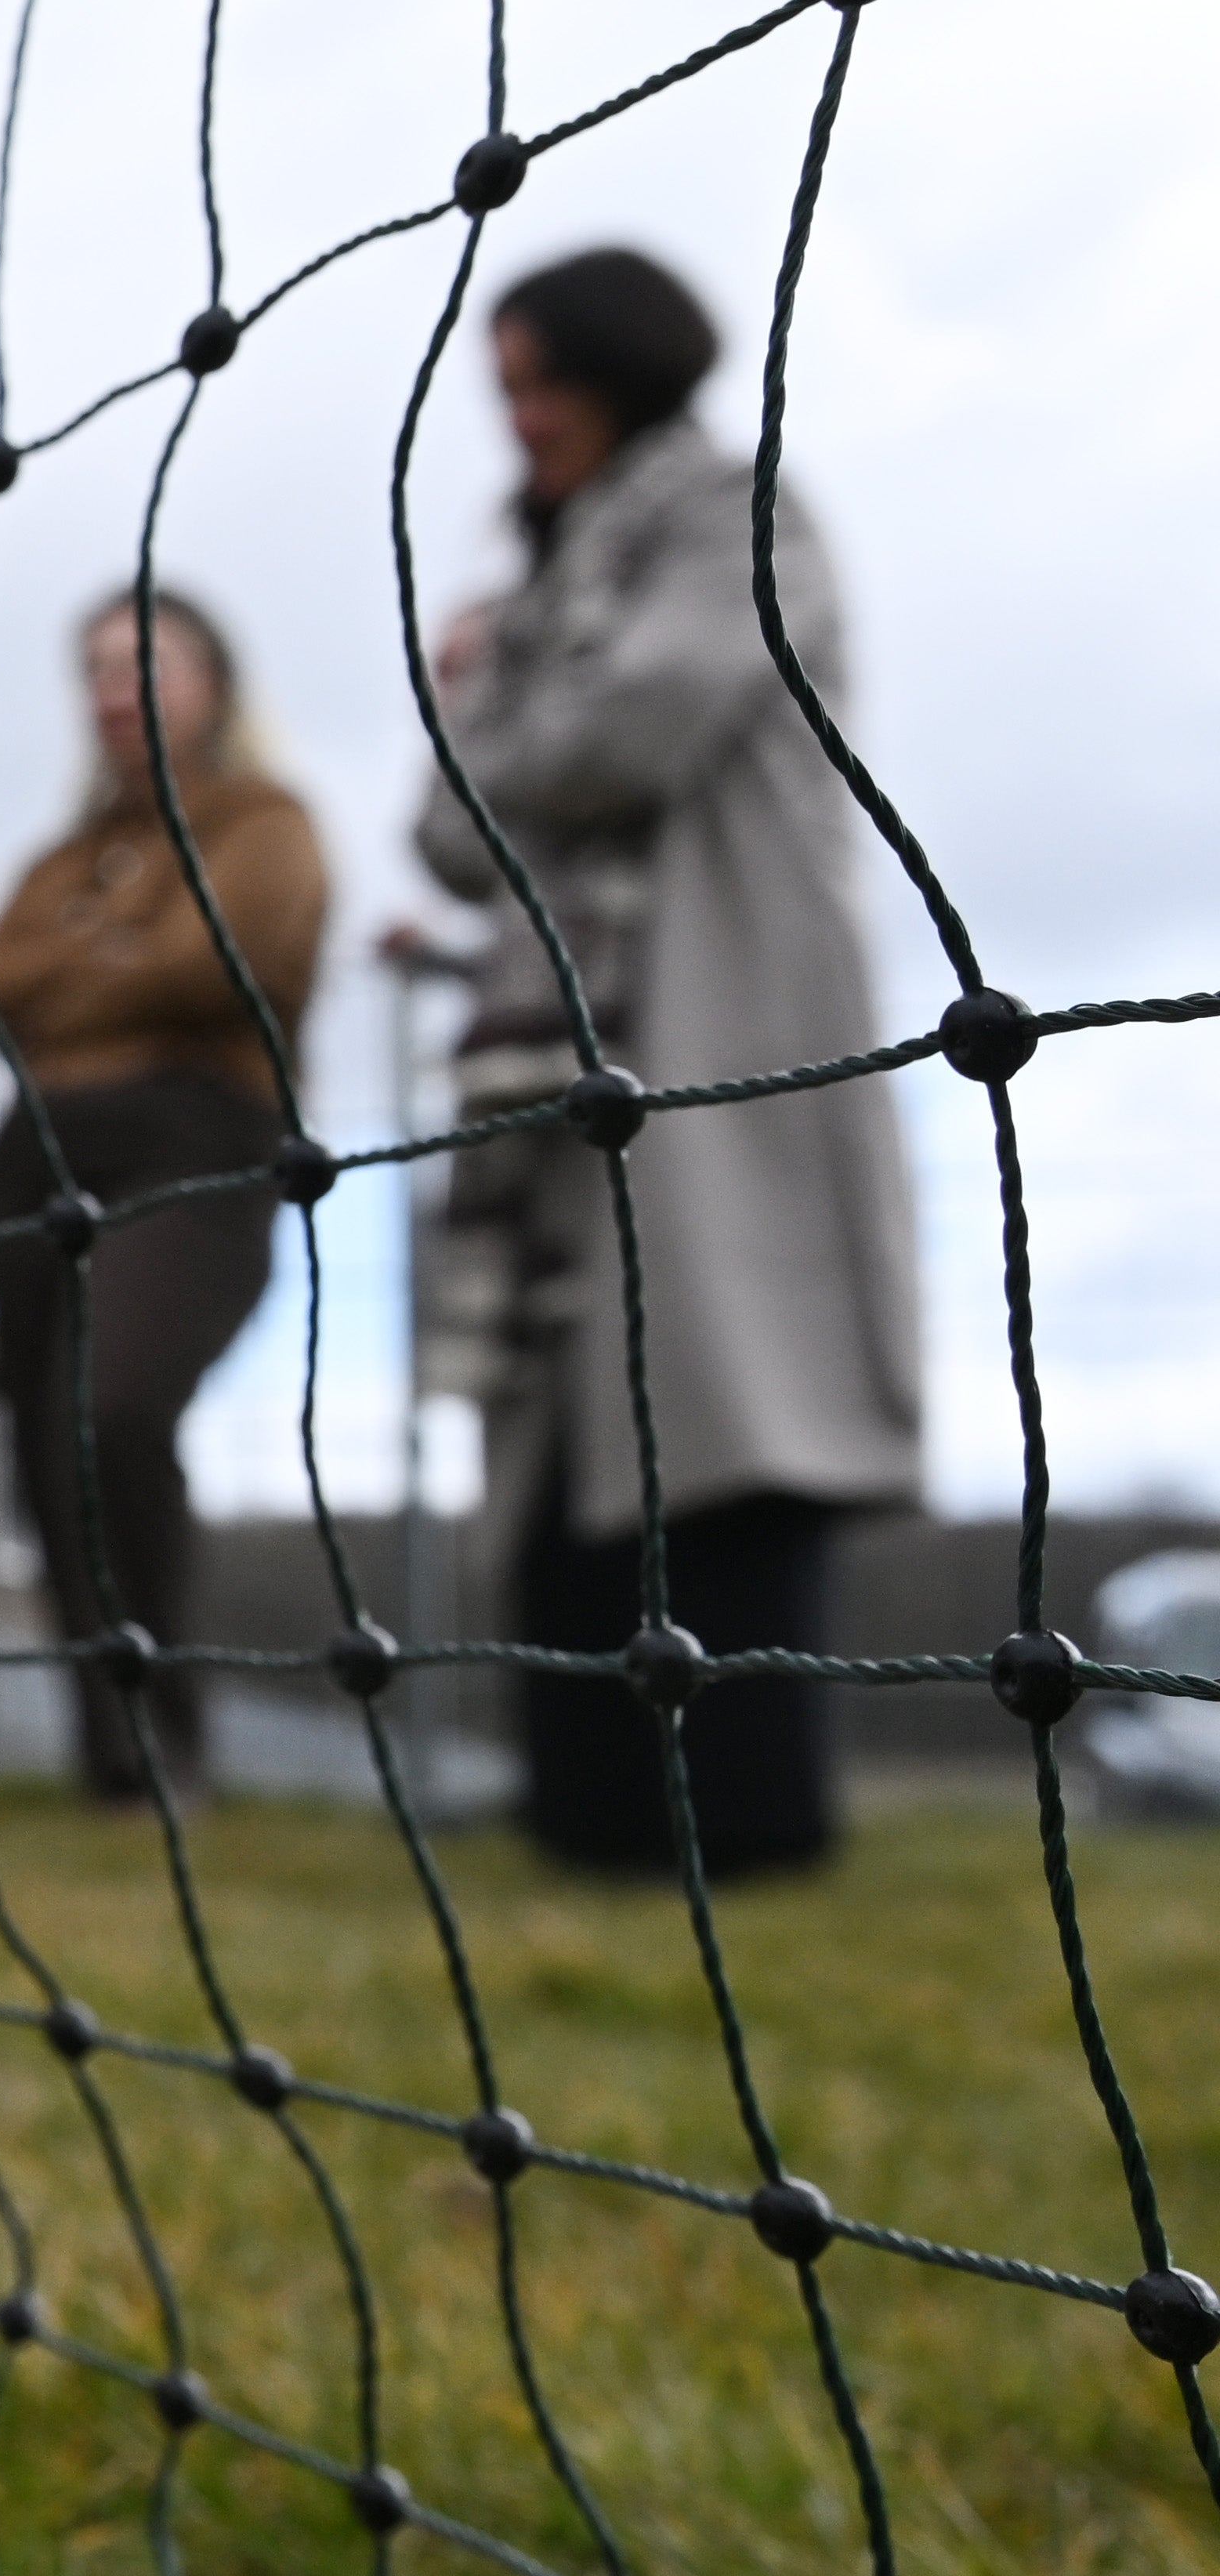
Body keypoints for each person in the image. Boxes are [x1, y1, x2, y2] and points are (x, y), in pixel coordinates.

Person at [408, 245, 918, 1879]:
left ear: (622, 369)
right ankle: (595, 1808)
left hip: (714, 1011)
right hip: (552, 1059)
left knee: (721, 1390)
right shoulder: (544, 580)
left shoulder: (731, 513)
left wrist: (498, 712)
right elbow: (446, 829)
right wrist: (496, 719)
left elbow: (636, 726)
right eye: (506, 393)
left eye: (541, 383)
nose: (523, 422)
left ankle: (749, 1822)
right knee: (567, 1416)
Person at [0, 589, 331, 1802]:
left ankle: (170, 1732)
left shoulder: (266, 822)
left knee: (112, 1406)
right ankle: (111, 1752)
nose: (116, 689)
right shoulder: (62, 855)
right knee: (38, 1444)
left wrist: (79, 970)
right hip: (34, 1158)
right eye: (97, 670)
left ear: (215, 678)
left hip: (198, 1143)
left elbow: (236, 958)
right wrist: (126, 954)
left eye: (144, 663)